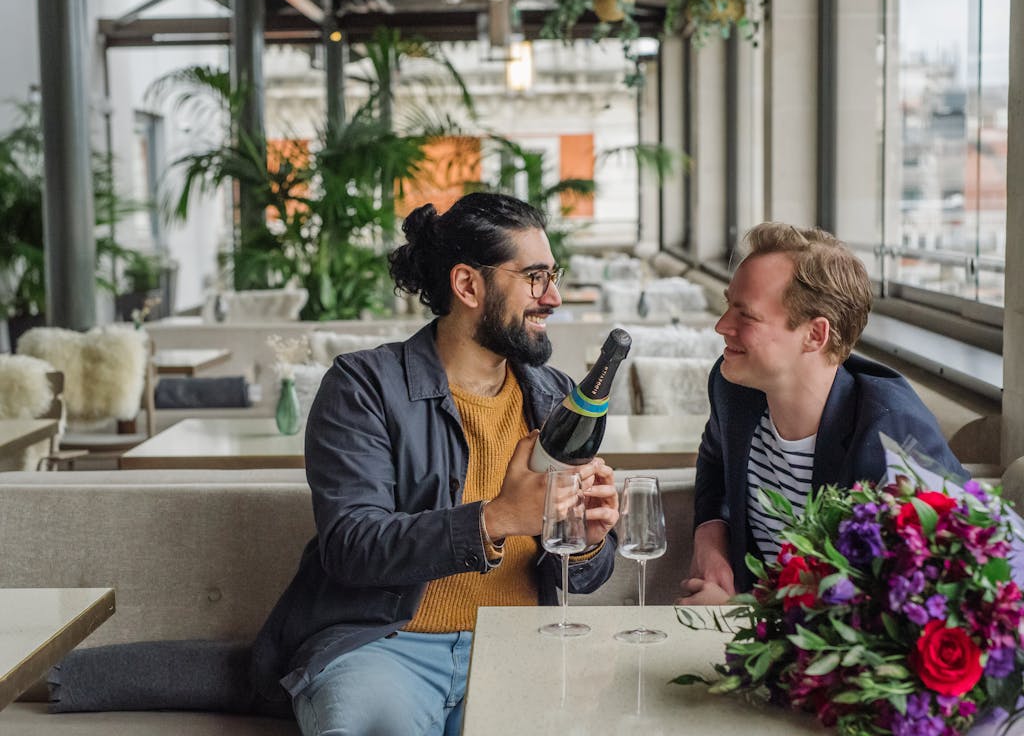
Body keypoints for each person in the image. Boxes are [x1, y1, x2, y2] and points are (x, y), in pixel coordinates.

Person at [250, 192, 620, 735]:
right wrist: (493, 519)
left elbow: (582, 574)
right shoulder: (364, 386)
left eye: (553, 275)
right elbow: (350, 545)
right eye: (535, 278)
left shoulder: (556, 396)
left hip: (516, 650)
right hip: (384, 648)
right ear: (468, 284)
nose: (555, 297)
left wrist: (586, 539)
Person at [678, 223, 968, 606]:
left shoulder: (890, 432)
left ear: (815, 335)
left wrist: (737, 614)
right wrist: (710, 533)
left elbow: (933, 592)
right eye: (727, 304)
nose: (721, 326)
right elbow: (715, 459)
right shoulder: (732, 388)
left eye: (745, 315)